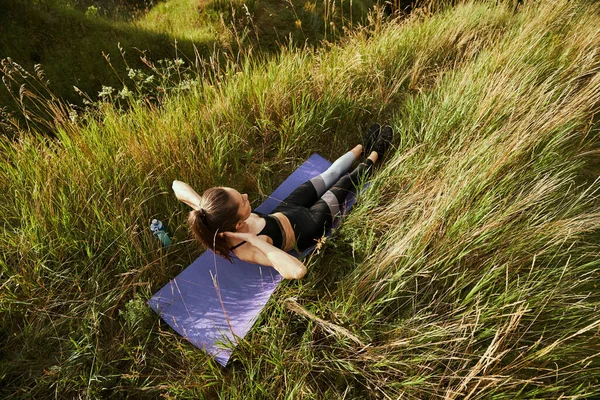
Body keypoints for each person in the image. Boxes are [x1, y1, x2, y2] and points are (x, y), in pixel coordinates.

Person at [173, 124, 393, 279]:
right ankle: (376, 152)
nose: (247, 196)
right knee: (345, 182)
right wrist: (254, 239)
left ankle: (362, 146)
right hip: (310, 223)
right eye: (243, 201)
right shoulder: (247, 249)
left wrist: (197, 201)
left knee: (330, 173)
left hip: (286, 209)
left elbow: (176, 185)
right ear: (238, 224)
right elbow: (297, 271)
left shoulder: (213, 215)